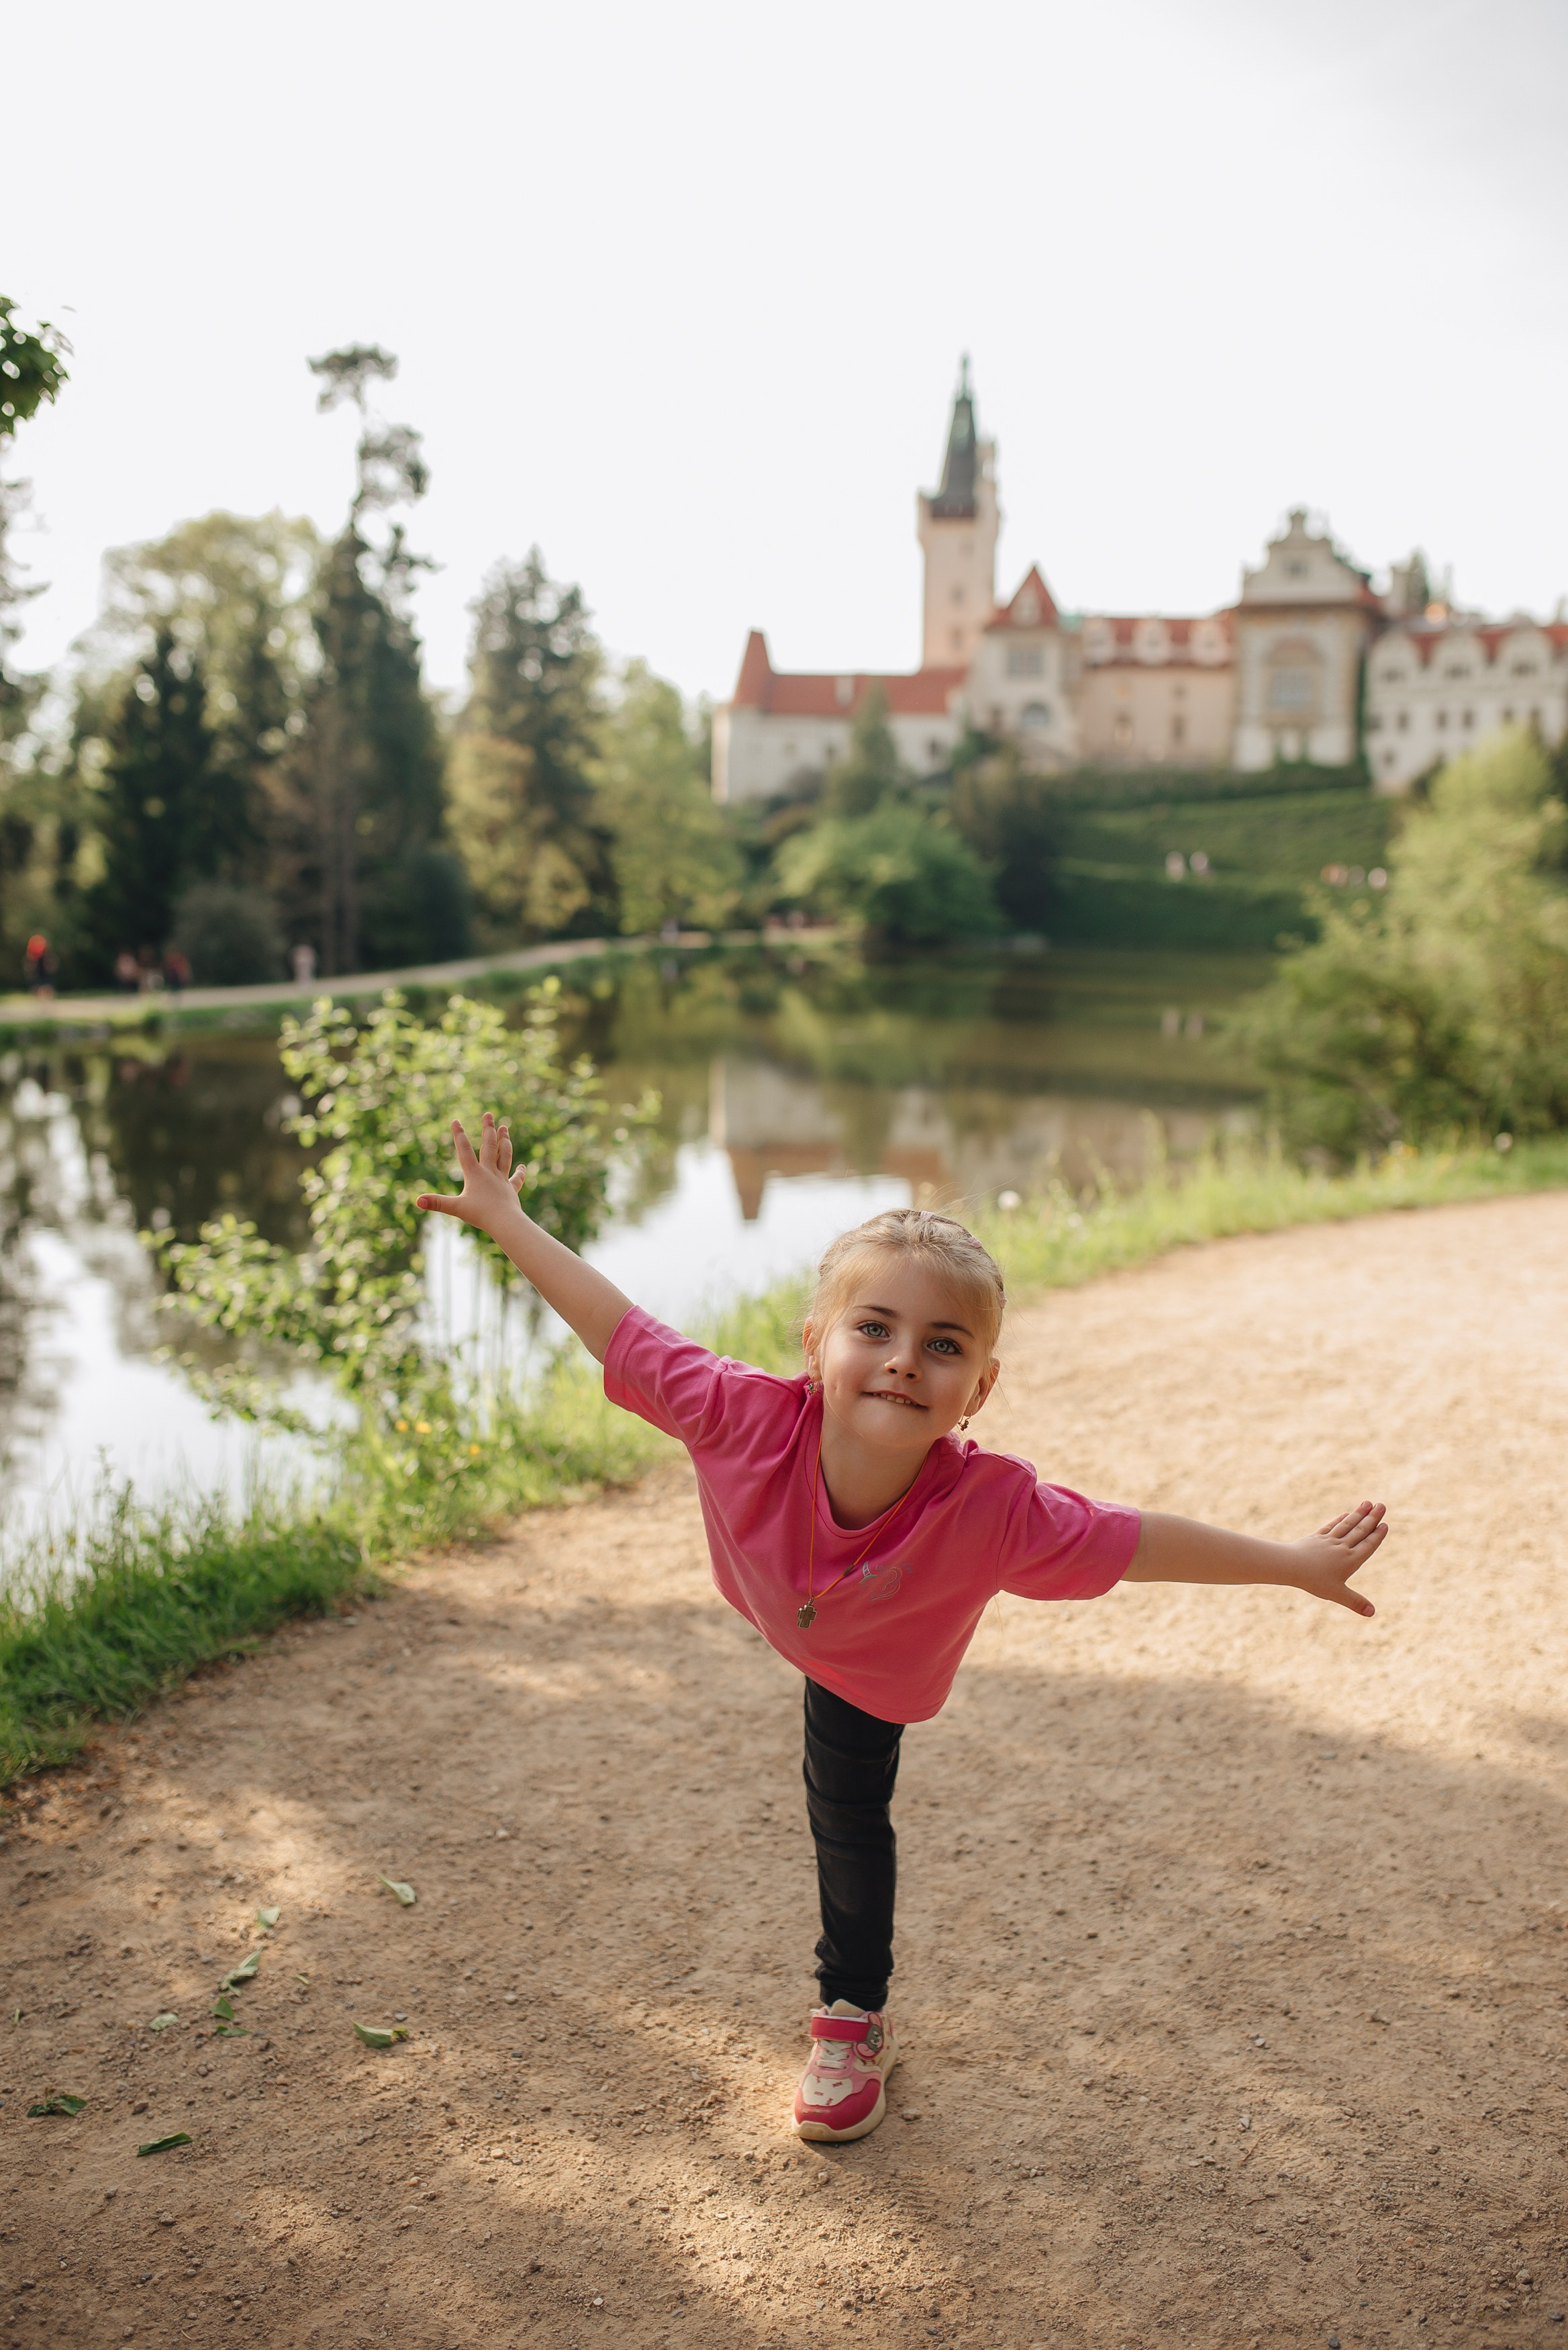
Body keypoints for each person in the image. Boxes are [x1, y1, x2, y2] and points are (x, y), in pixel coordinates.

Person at [417, 1115, 1389, 2147]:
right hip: (775, 1600)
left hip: (867, 1674)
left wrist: (1291, 1562)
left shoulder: (996, 1512)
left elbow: (1135, 1540)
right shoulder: (739, 1415)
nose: (903, 1362)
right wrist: (508, 1220)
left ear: (981, 1387)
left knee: (845, 1815)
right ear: (815, 1343)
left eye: (944, 1345)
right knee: (833, 1775)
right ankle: (853, 2007)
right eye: (873, 1328)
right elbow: (618, 1326)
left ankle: (851, 2019)